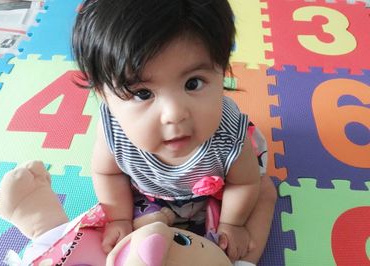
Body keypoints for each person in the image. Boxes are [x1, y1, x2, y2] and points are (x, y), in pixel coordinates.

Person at [72, 0, 277, 265]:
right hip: (150, 197)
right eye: (142, 93)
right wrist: (119, 218)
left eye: (193, 83)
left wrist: (232, 223)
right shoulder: (115, 131)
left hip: (222, 194)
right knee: (109, 242)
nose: (174, 114)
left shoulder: (228, 136)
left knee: (264, 193)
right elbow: (107, 173)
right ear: (104, 95)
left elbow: (244, 183)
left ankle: (242, 262)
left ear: (222, 71)